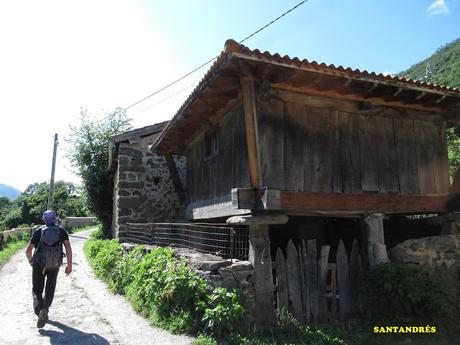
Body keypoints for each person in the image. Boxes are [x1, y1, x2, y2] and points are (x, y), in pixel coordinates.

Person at [25, 210, 72, 328]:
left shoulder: (38, 231)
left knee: (37, 289)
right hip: (54, 265)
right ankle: (45, 309)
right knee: (50, 288)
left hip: (38, 264)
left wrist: (31, 261)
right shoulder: (61, 231)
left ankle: (39, 309)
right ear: (55, 218)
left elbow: (28, 250)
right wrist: (69, 265)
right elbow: (68, 248)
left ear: (44, 219)